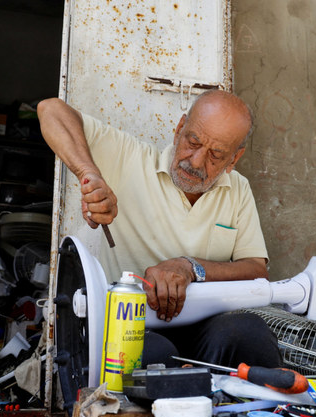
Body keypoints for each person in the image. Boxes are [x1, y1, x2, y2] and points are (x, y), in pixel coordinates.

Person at [38, 90, 282, 368]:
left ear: (234, 160)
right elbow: (51, 110)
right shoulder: (129, 158)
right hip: (131, 325)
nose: (197, 161)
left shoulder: (237, 190)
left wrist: (189, 267)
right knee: (153, 354)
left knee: (249, 332)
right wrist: (88, 173)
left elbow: (256, 271)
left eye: (216, 155)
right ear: (179, 128)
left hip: (201, 329)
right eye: (193, 141)